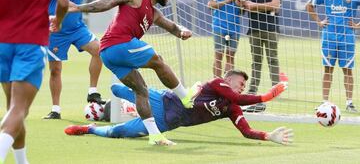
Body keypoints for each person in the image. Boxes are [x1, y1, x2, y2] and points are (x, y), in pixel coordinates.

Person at [67, 0, 193, 145]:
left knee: (141, 91)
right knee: (158, 61)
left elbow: (172, 27)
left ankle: (155, 136)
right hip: (118, 43)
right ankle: (185, 97)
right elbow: (108, 2)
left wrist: (182, 32)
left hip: (108, 54)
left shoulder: (154, 13)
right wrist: (78, 8)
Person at [65, 70, 293, 146]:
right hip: (164, 101)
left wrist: (267, 136)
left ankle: (89, 128)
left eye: (244, 86)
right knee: (119, 88)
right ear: (228, 78)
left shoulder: (233, 108)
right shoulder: (217, 83)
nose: (242, 88)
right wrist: (267, 96)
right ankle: (106, 104)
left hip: (167, 122)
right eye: (241, 83)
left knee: (119, 133)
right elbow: (238, 97)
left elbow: (245, 131)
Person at [0, 0, 68, 163]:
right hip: (30, 42)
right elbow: (63, 2)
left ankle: (22, 161)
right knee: (19, 109)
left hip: (2, 43)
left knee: (13, 108)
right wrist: (59, 19)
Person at [44, 0, 114, 120]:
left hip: (77, 29)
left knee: (99, 49)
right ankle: (55, 109)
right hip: (55, 32)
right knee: (55, 70)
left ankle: (92, 92)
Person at [306, 0, 360, 113]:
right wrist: (319, 22)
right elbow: (309, 6)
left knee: (347, 70)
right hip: (329, 37)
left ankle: (349, 103)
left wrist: (357, 25)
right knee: (328, 69)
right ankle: (324, 102)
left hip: (347, 38)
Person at [242, 0, 282, 112]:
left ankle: (276, 88)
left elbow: (276, 5)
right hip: (254, 30)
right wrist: (264, 6)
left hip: (271, 29)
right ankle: (252, 90)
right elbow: (246, 6)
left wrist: (255, 6)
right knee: (256, 61)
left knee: (273, 59)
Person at [208, 0, 245, 78]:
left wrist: (241, 6)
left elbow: (243, 11)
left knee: (231, 56)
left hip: (234, 28)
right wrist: (227, 1)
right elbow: (210, 5)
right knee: (218, 55)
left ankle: (228, 85)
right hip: (219, 26)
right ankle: (216, 84)